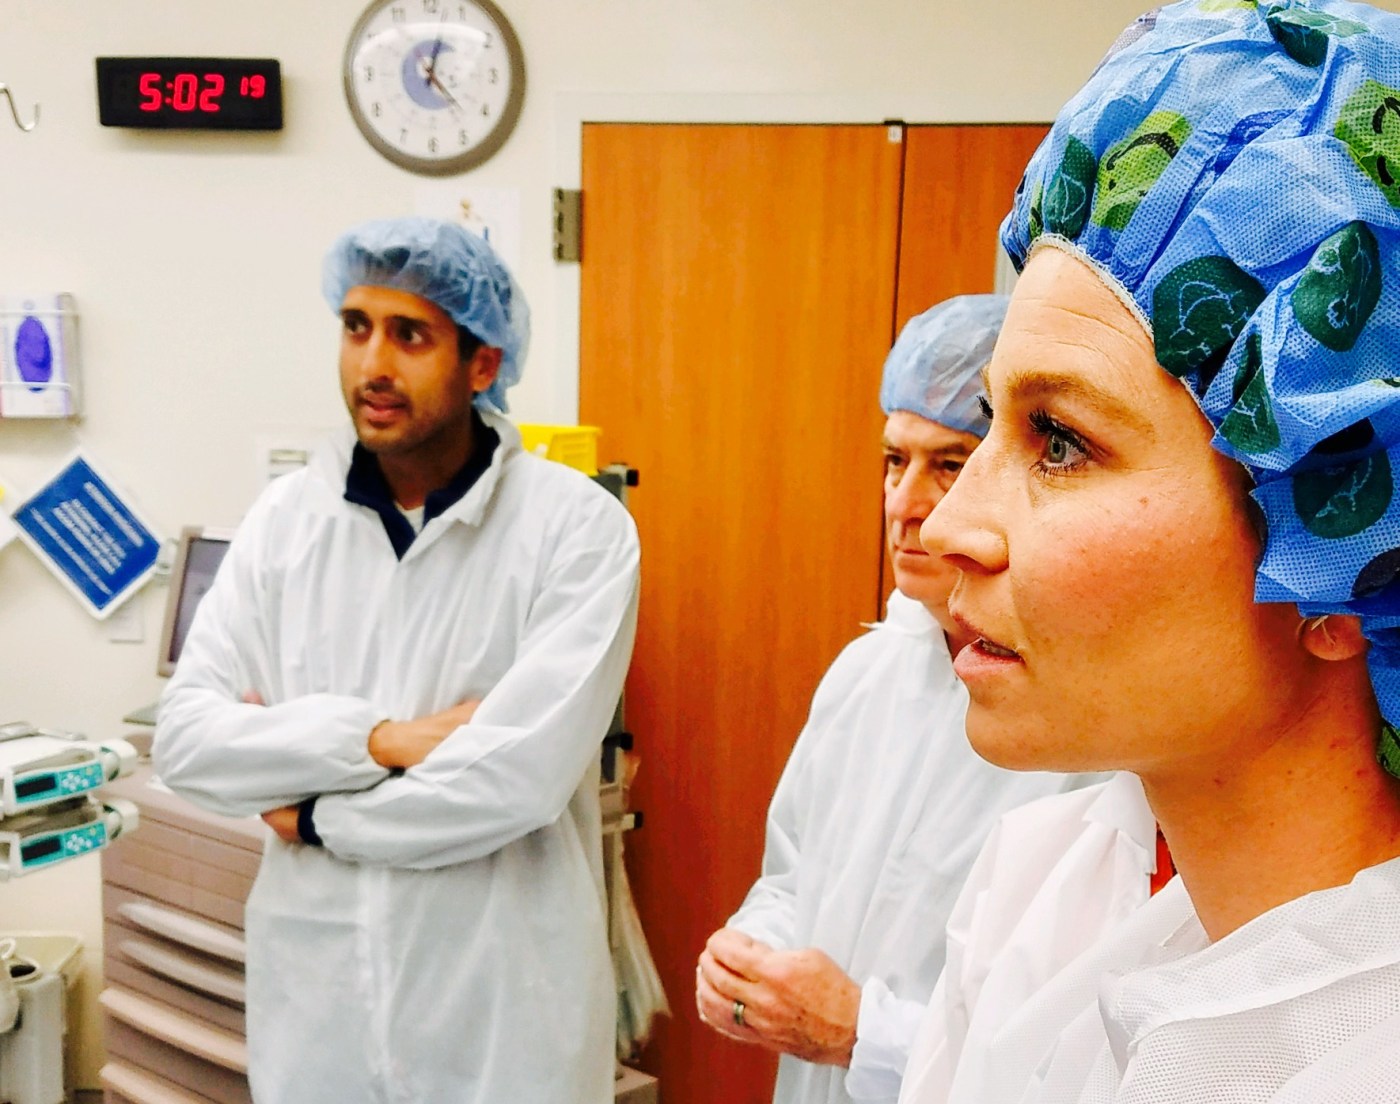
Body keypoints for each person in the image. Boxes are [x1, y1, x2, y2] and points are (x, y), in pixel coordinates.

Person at [899, 3, 1400, 1100]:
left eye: (1059, 441)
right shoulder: (1111, 972)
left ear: (1348, 553)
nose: (941, 527)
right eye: (991, 422)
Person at [152, 218, 640, 1104]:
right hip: (320, 1004)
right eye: (356, 327)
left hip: (501, 1014)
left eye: (410, 335)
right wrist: (379, 741)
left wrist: (317, 818)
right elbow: (185, 742)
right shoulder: (284, 524)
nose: (372, 364)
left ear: (483, 363)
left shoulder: (576, 530)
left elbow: (514, 785)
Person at [694, 295, 1100, 1104]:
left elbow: (1074, 1050)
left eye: (948, 464)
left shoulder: (1086, 731)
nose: (907, 503)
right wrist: (751, 960)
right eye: (893, 461)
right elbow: (793, 877)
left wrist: (864, 1034)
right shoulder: (867, 672)